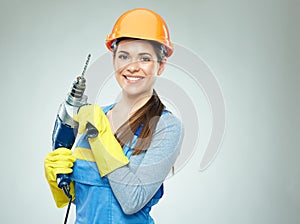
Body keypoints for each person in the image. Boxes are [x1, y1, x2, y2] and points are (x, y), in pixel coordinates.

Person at [44, 8, 184, 224]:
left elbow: (132, 201)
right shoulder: (95, 116)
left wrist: (99, 135)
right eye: (124, 56)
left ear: (161, 65)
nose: (132, 67)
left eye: (145, 58)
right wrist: (60, 180)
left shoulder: (166, 127)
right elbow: (88, 198)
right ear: (114, 61)